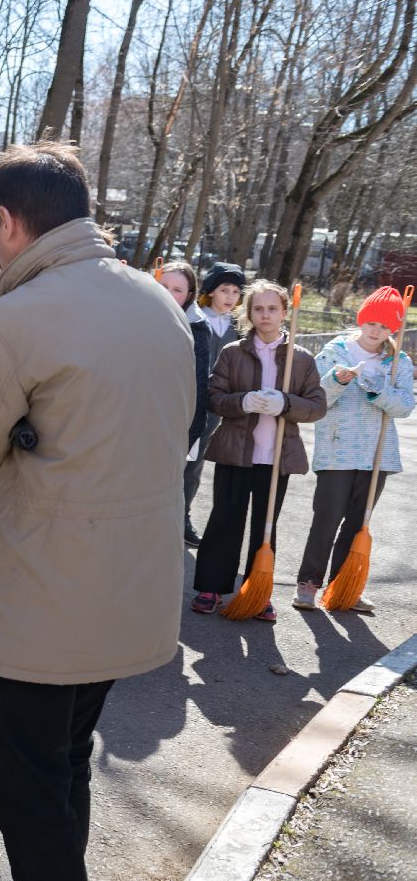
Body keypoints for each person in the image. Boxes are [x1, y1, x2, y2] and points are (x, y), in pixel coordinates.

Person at [0, 142, 196, 881]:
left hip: (44, 588)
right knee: (67, 760)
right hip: (132, 580)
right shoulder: (157, 299)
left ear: (7, 221)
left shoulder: (15, 316)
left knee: (25, 788)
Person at [191, 280, 326, 617]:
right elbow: (213, 398)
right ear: (249, 313)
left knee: (265, 527)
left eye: (272, 308)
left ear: (284, 312)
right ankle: (211, 586)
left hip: (277, 456)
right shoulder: (232, 352)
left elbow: (316, 406)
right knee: (225, 519)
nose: (265, 315)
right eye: (258, 309)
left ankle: (258, 591)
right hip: (235, 452)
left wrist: (285, 403)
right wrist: (243, 401)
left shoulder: (300, 358)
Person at [295, 287, 412, 611]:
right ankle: (308, 583)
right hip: (337, 451)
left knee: (358, 522)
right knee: (327, 518)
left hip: (376, 455)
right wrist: (337, 381)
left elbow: (405, 407)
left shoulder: (398, 361)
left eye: (385, 326)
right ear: (361, 320)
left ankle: (343, 586)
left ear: (393, 329)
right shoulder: (334, 352)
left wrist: (380, 390)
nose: (376, 331)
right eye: (371, 323)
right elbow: (315, 398)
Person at [186, 262, 246, 541]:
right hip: (186, 398)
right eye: (224, 290)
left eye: (236, 291)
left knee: (195, 463)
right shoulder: (195, 318)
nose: (230, 297)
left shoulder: (238, 328)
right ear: (211, 291)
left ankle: (183, 515)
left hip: (213, 407)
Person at [159, 260, 213, 544]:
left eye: (177, 290)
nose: (169, 294)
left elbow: (198, 387)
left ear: (190, 295)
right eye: (163, 286)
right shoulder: (135, 315)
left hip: (172, 427)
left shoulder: (196, 328)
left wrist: (188, 437)